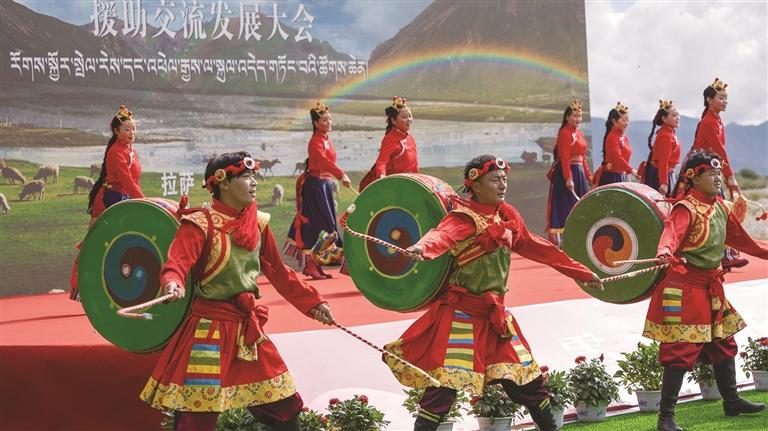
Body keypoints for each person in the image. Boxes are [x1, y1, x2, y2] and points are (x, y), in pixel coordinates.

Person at [383, 154, 604, 431]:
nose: (502, 185)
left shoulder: (507, 218)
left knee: (530, 384)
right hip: (462, 318)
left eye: (504, 179)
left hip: (496, 319)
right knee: (442, 391)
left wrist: (581, 272)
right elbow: (441, 235)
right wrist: (421, 248)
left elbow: (541, 248)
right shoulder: (463, 218)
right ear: (475, 185)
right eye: (494, 180)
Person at [140, 152, 335, 431]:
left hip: (247, 331)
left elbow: (279, 272)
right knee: (197, 417)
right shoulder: (200, 223)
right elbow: (177, 262)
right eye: (245, 176)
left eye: (253, 176)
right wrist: (173, 282)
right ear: (223, 182)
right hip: (208, 331)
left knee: (284, 407)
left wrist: (313, 303)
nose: (254, 182)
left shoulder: (258, 224)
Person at [643, 150, 767, 431]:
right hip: (683, 288)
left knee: (723, 342)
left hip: (710, 288)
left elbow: (745, 242)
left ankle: (732, 401)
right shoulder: (685, 208)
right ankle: (665, 418)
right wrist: (664, 252)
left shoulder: (721, 208)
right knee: (681, 349)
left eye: (719, 173)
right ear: (693, 178)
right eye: (711, 173)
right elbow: (671, 234)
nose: (718, 178)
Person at [70, 105, 144, 300]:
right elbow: (127, 181)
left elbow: (134, 182)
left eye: (134, 128)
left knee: (126, 244)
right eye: (127, 129)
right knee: (98, 244)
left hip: (126, 199)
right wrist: (144, 202)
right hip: (110, 200)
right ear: (116, 131)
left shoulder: (132, 152)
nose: (132, 132)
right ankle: (82, 288)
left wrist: (141, 200)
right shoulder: (115, 152)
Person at [684, 77, 748, 270]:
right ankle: (721, 254)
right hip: (701, 172)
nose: (725, 101)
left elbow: (718, 152)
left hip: (710, 170)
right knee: (713, 210)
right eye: (721, 97)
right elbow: (719, 150)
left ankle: (725, 254)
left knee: (719, 210)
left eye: (726, 98)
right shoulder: (708, 122)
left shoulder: (716, 120)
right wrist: (730, 176)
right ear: (709, 100)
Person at [284, 102, 351, 280]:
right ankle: (311, 265)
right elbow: (323, 162)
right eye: (324, 120)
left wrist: (336, 177)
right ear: (315, 123)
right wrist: (341, 174)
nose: (329, 123)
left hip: (324, 185)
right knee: (320, 226)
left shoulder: (326, 139)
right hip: (315, 186)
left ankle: (316, 264)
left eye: (330, 119)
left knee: (325, 226)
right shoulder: (315, 142)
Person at [545, 99, 593, 246]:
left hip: (579, 173)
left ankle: (579, 237)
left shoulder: (579, 134)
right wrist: (568, 178)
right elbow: (564, 157)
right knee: (565, 205)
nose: (578, 119)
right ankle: (562, 240)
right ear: (567, 117)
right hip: (567, 173)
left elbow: (582, 158)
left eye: (580, 116)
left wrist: (589, 176)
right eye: (575, 116)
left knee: (579, 205)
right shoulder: (564, 133)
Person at [359, 96, 419, 191]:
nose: (409, 119)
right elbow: (382, 161)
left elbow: (414, 165)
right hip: (394, 185)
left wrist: (418, 180)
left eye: (410, 116)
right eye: (404, 117)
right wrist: (382, 176)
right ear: (393, 120)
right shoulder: (390, 139)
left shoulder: (411, 139)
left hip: (409, 183)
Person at [641, 100, 682, 197]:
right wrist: (664, 182)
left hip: (666, 174)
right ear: (664, 118)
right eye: (674, 115)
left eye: (678, 115)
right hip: (660, 176)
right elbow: (663, 161)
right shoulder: (665, 135)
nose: (678, 118)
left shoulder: (669, 133)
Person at [594, 102, 637, 186]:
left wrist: (627, 172)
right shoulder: (611, 137)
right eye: (623, 120)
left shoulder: (624, 138)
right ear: (614, 121)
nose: (626, 123)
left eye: (627, 120)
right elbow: (617, 157)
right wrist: (631, 170)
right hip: (613, 177)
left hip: (623, 175)